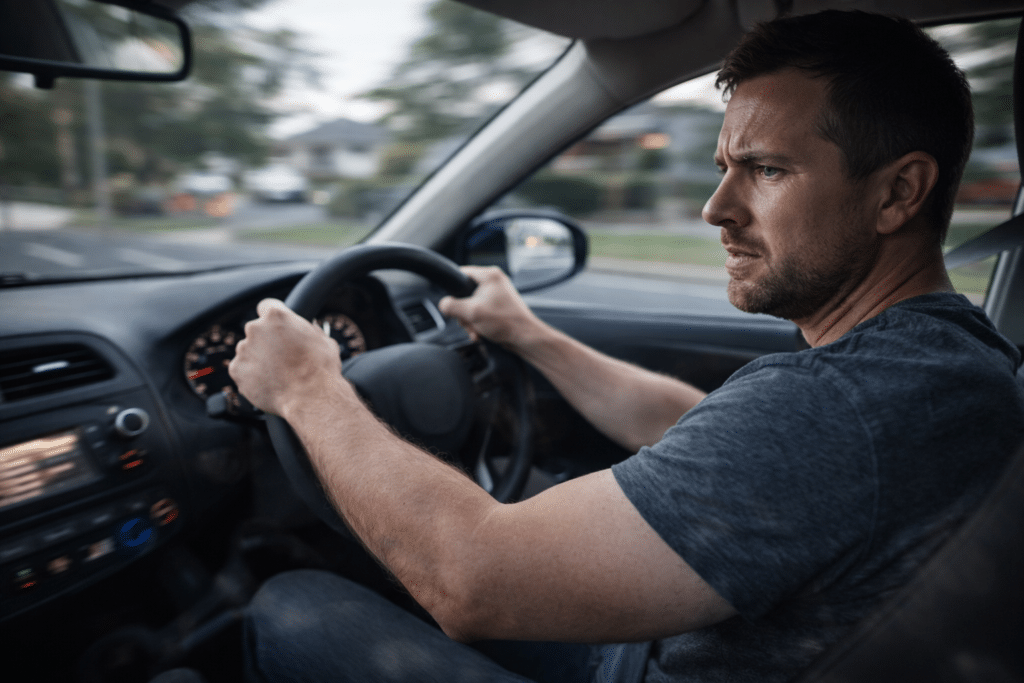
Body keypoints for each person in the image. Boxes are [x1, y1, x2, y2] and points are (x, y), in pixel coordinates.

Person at [229, 10, 1024, 683]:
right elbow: (703, 427)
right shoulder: (949, 363)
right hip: (669, 638)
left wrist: (306, 385)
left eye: (766, 170)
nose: (716, 207)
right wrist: (529, 335)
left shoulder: (845, 404)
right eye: (724, 167)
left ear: (898, 192)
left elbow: (466, 578)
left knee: (292, 604)